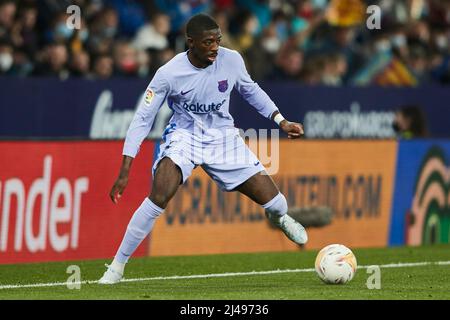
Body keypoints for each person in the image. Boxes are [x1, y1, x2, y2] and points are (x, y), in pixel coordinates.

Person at [98, 13, 308, 284]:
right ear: (191, 42)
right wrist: (126, 168)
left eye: (218, 41)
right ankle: (116, 267)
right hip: (185, 137)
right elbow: (143, 118)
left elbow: (251, 90)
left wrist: (280, 120)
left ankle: (279, 217)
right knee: (159, 194)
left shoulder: (231, 60)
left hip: (224, 139)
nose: (215, 47)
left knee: (277, 203)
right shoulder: (169, 73)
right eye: (208, 42)